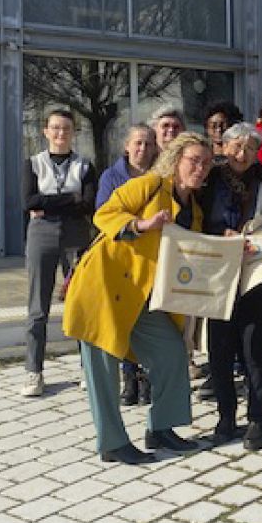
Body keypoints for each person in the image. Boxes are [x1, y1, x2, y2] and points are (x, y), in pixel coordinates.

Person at [63, 132, 212, 464]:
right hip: (104, 287)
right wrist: (141, 224)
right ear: (175, 160)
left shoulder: (195, 211)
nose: (200, 168)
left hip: (143, 296)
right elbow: (105, 214)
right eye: (193, 160)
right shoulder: (150, 185)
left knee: (172, 354)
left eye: (205, 163)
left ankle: (161, 428)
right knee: (103, 369)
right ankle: (112, 443)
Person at [201, 123, 262, 451]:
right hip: (218, 266)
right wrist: (219, 233)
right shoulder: (209, 179)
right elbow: (197, 218)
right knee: (220, 348)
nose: (242, 154)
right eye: (236, 147)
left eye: (250, 148)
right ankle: (226, 415)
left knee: (255, 347)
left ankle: (258, 418)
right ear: (223, 148)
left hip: (257, 268)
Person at [21, 109, 97, 397]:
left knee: (81, 304)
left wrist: (50, 202)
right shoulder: (34, 164)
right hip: (41, 234)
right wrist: (71, 198)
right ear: (45, 131)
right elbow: (29, 201)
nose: (60, 133)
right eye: (55, 128)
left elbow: (89, 204)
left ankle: (87, 369)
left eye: (66, 128)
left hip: (76, 234)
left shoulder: (85, 165)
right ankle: (34, 372)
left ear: (73, 132)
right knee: (38, 307)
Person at [96, 124, 159, 406]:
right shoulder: (112, 176)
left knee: (146, 318)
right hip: (119, 255)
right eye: (137, 143)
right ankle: (128, 377)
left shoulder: (160, 178)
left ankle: (146, 377)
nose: (142, 149)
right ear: (126, 146)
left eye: (147, 144)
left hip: (149, 257)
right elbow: (104, 211)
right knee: (125, 318)